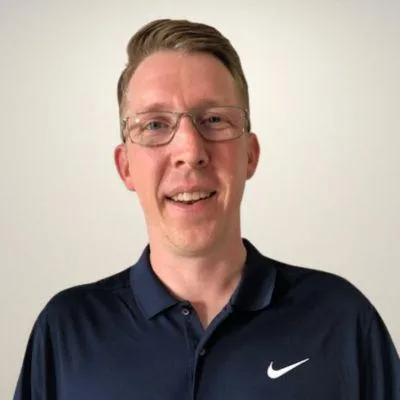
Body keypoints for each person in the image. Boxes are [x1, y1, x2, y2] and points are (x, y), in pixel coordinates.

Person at [14, 19, 399, 399]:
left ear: (250, 155)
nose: (190, 150)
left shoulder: (340, 320)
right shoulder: (68, 332)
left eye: (214, 119)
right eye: (155, 125)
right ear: (125, 166)